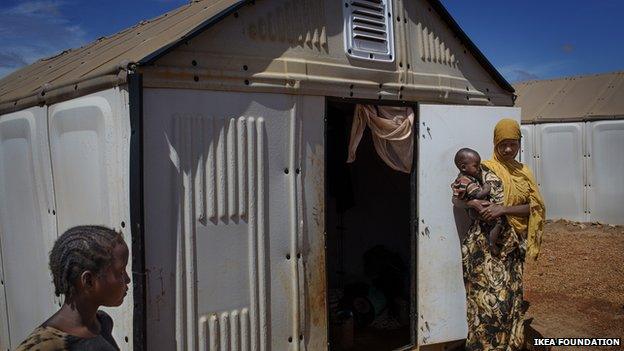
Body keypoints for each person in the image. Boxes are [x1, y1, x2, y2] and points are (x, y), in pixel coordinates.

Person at [452, 119, 546, 351]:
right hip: (483, 247)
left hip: (512, 244)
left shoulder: (524, 173)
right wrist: (473, 202)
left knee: (509, 300)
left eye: (512, 144)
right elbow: (456, 196)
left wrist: (504, 209)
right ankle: (483, 346)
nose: (507, 149)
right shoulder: (483, 168)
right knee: (484, 302)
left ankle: (508, 345)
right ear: (495, 143)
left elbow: (533, 207)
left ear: (518, 144)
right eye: (502, 144)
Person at [16, 226, 130, 351]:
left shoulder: (102, 322)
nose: (128, 279)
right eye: (121, 272)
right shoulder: (45, 345)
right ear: (88, 281)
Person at [451, 148, 505, 256]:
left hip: (474, 210)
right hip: (477, 209)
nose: (478, 168)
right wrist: (486, 189)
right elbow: (477, 195)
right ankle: (492, 243)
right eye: (476, 166)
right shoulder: (467, 181)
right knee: (497, 222)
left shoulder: (461, 178)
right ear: (463, 167)